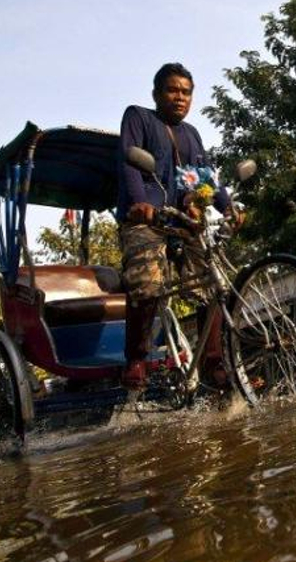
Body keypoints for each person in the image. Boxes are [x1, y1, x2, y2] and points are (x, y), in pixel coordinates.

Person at [116, 62, 232, 389]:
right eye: (172, 90)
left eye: (186, 92)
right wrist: (140, 203)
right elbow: (129, 161)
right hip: (146, 219)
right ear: (156, 94)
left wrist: (228, 207)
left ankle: (212, 363)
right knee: (147, 280)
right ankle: (136, 359)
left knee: (212, 281)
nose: (180, 97)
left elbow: (206, 177)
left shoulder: (191, 134)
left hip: (182, 220)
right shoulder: (139, 117)